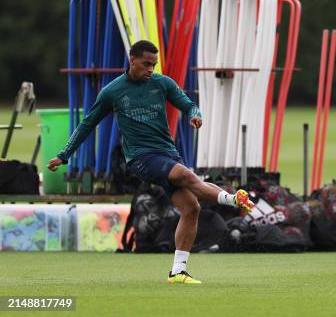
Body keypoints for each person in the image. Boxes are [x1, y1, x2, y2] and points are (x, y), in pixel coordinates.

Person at [48, 40, 254, 285]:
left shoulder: (162, 83)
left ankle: (178, 271)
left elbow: (188, 104)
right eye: (146, 64)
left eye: (153, 65)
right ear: (131, 60)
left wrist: (195, 115)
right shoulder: (113, 91)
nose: (150, 69)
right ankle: (232, 200)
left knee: (191, 208)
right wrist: (64, 155)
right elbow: (87, 124)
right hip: (140, 158)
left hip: (167, 154)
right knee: (186, 175)